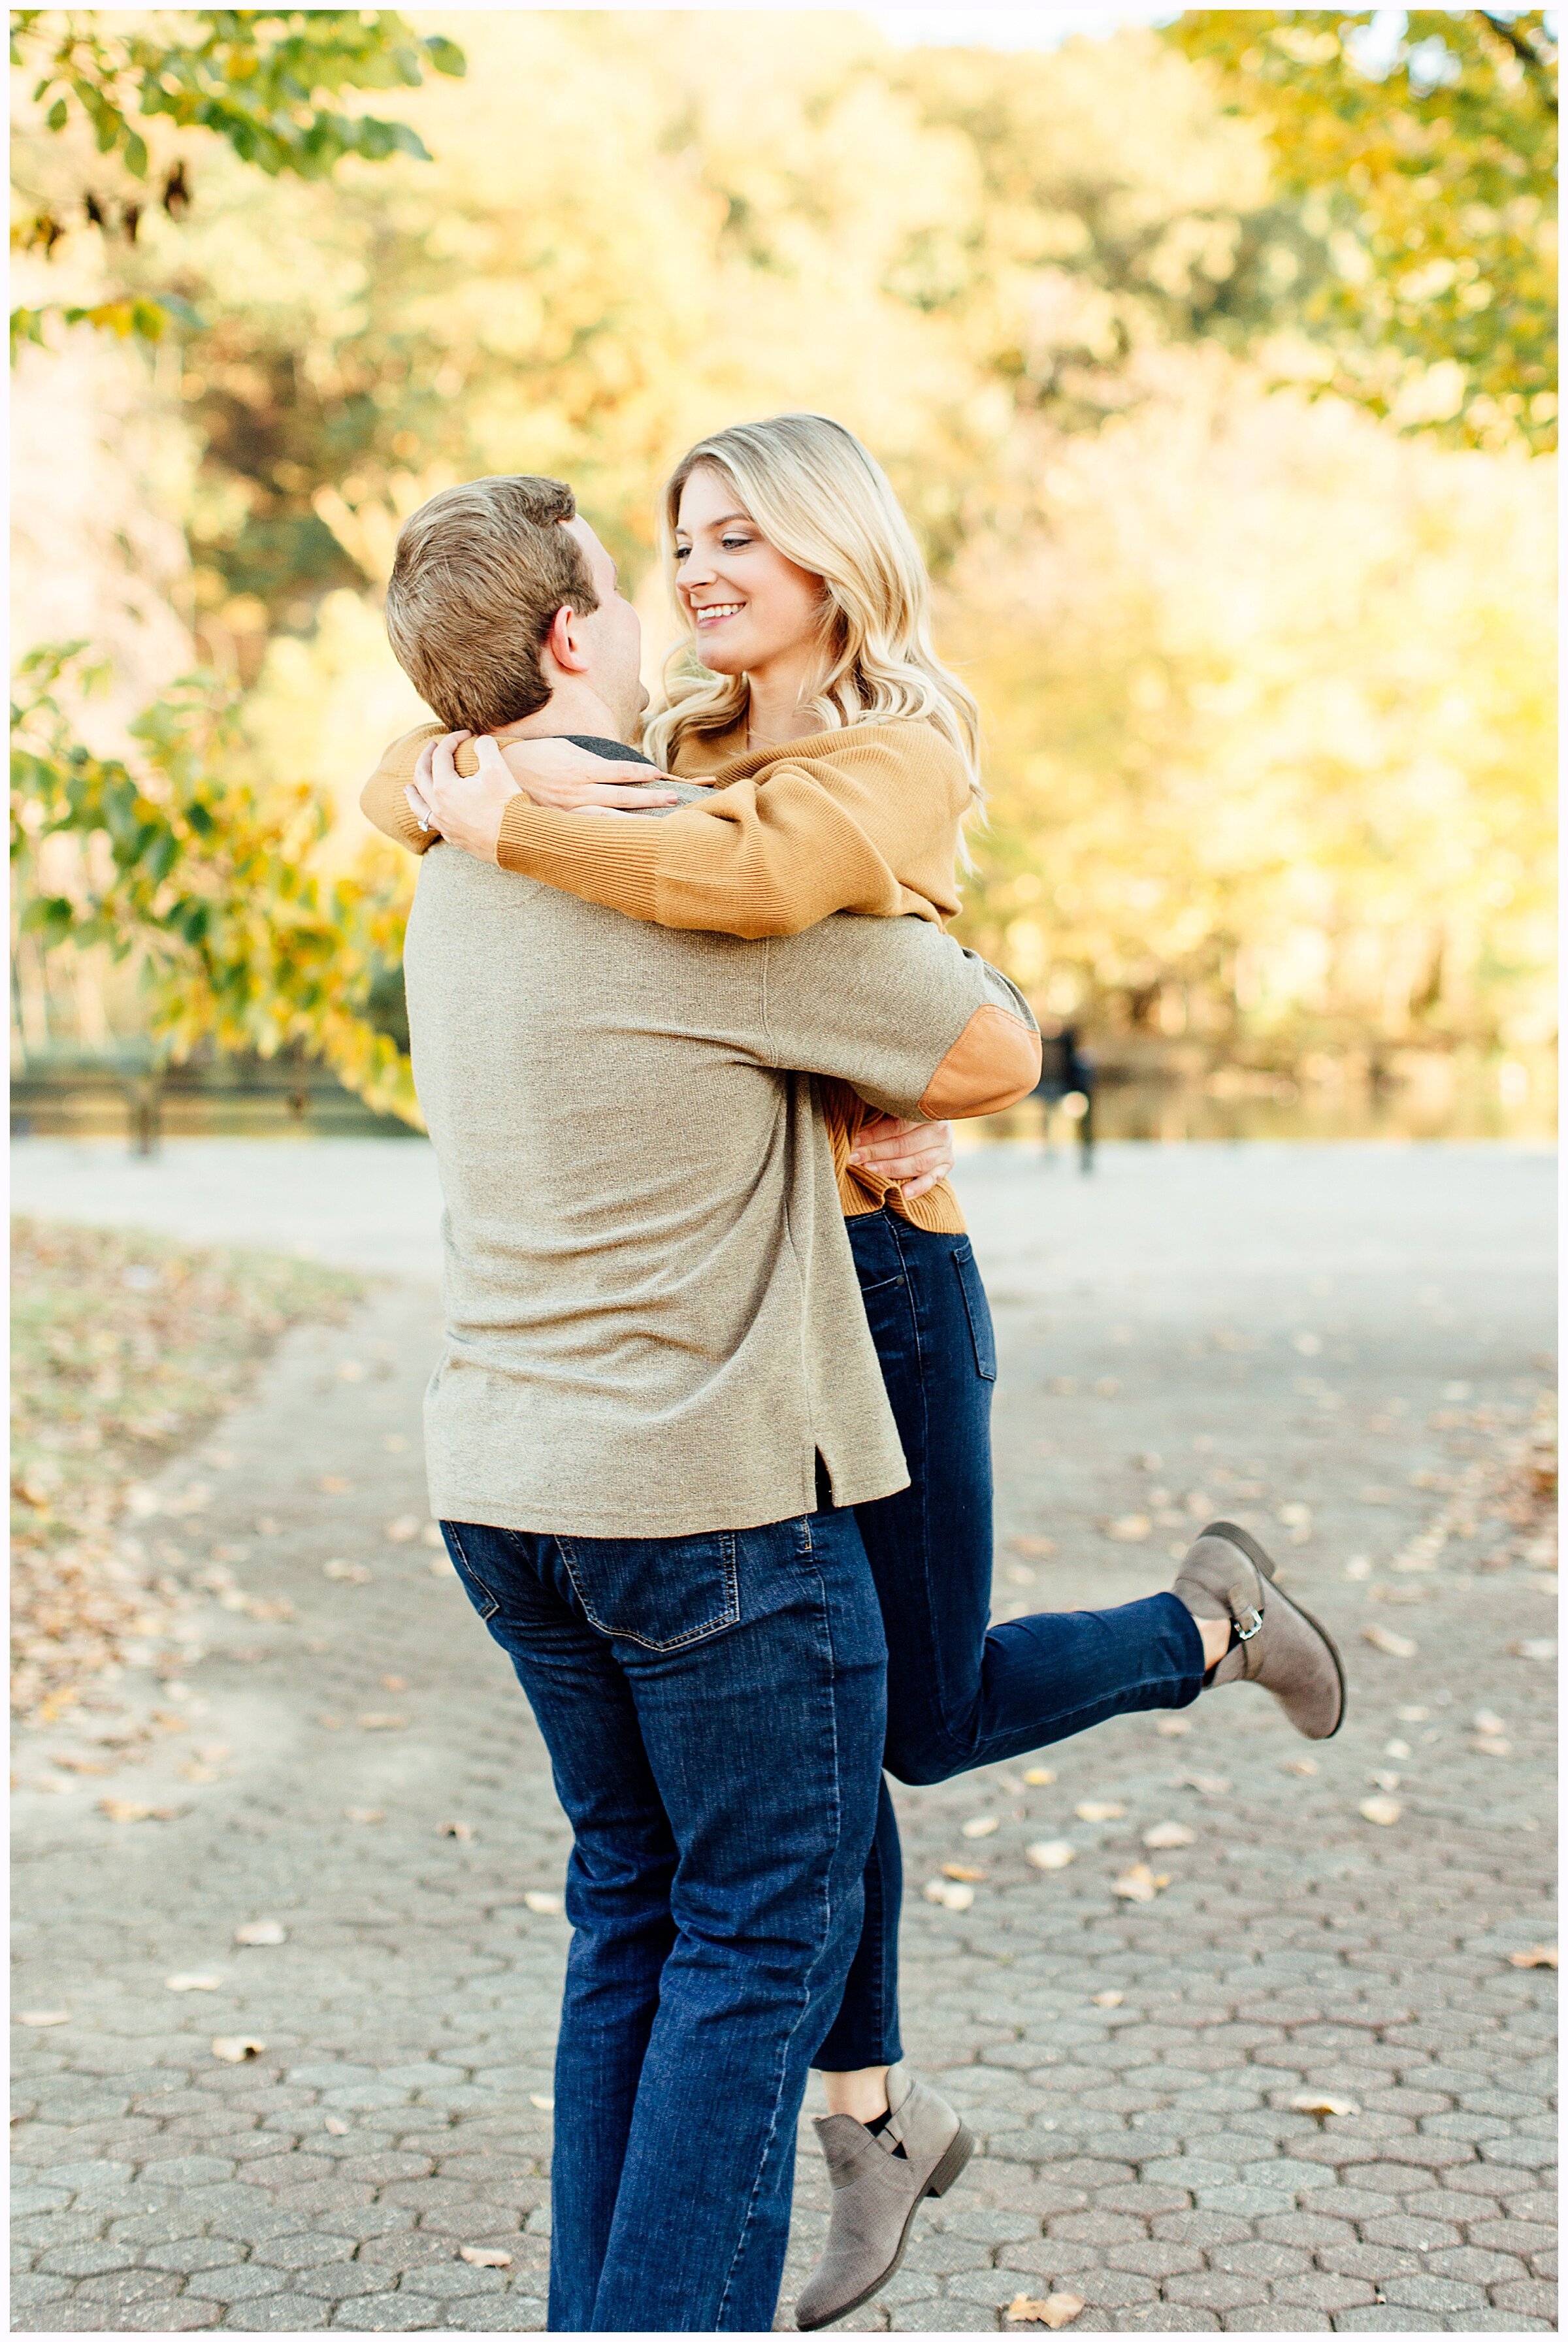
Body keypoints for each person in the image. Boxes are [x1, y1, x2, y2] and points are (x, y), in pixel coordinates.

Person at [363, 417, 1347, 2332]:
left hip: (866, 1279)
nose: (703, 571)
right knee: (790, 1822)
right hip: (710, 1390)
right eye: (675, 544)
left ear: (834, 556)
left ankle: (1202, 1634)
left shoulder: (884, 751)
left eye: (742, 537)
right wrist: (446, 770)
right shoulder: (656, 767)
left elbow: (790, 924)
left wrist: (491, 804)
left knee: (887, 1724)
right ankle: (867, 2114)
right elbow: (683, 905)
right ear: (586, 636)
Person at [379, 466, 1043, 2334]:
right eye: (645, 567)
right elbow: (989, 1035)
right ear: (579, 637)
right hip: (708, 1512)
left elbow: (444, 776)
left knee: (634, 1922)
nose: (683, 584)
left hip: (504, 1493)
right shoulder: (700, 883)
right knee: (759, 1945)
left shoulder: (446, 844)